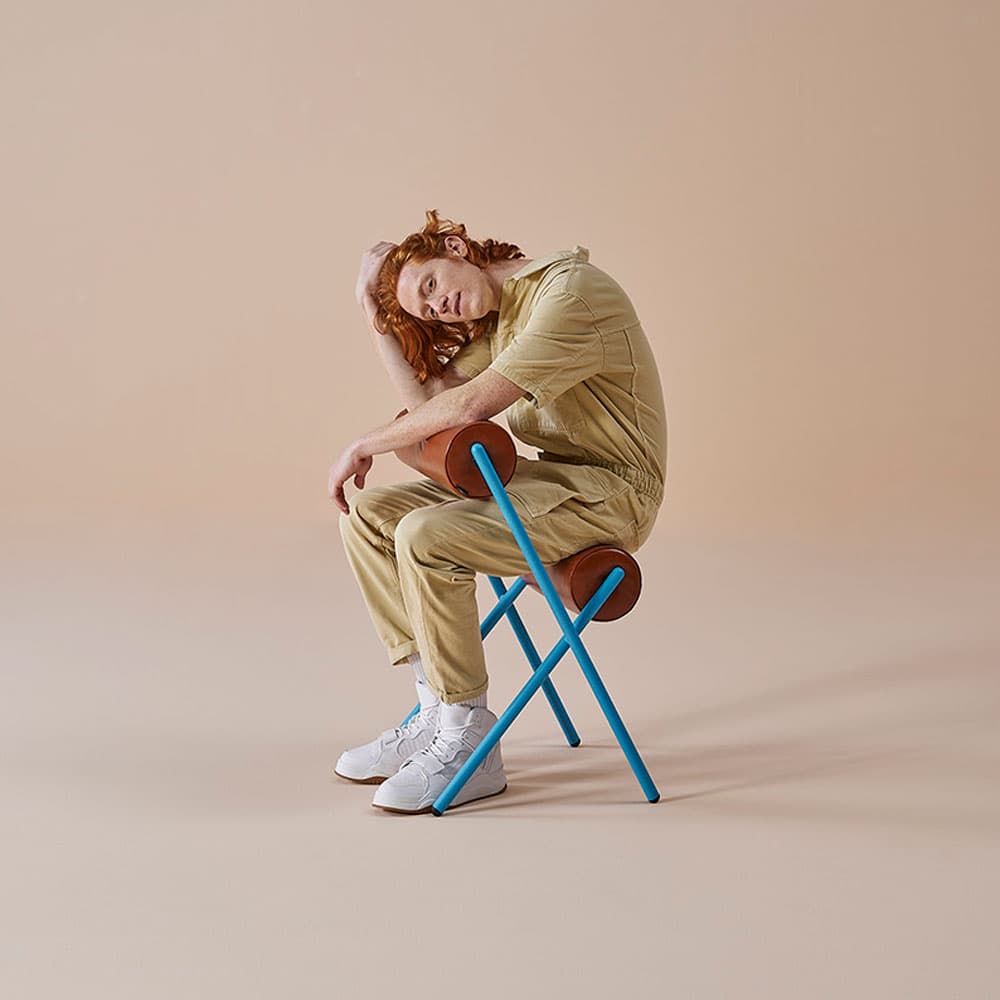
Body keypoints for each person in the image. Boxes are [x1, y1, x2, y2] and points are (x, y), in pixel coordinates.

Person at [328, 209, 667, 814]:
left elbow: (472, 405)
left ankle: (470, 738)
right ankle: (437, 711)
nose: (441, 307)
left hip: (614, 493)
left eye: (432, 284)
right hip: (554, 479)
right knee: (370, 515)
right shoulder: (504, 315)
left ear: (456, 247)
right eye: (428, 310)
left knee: (425, 534)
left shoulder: (571, 294)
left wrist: (365, 443)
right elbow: (432, 401)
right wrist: (371, 312)